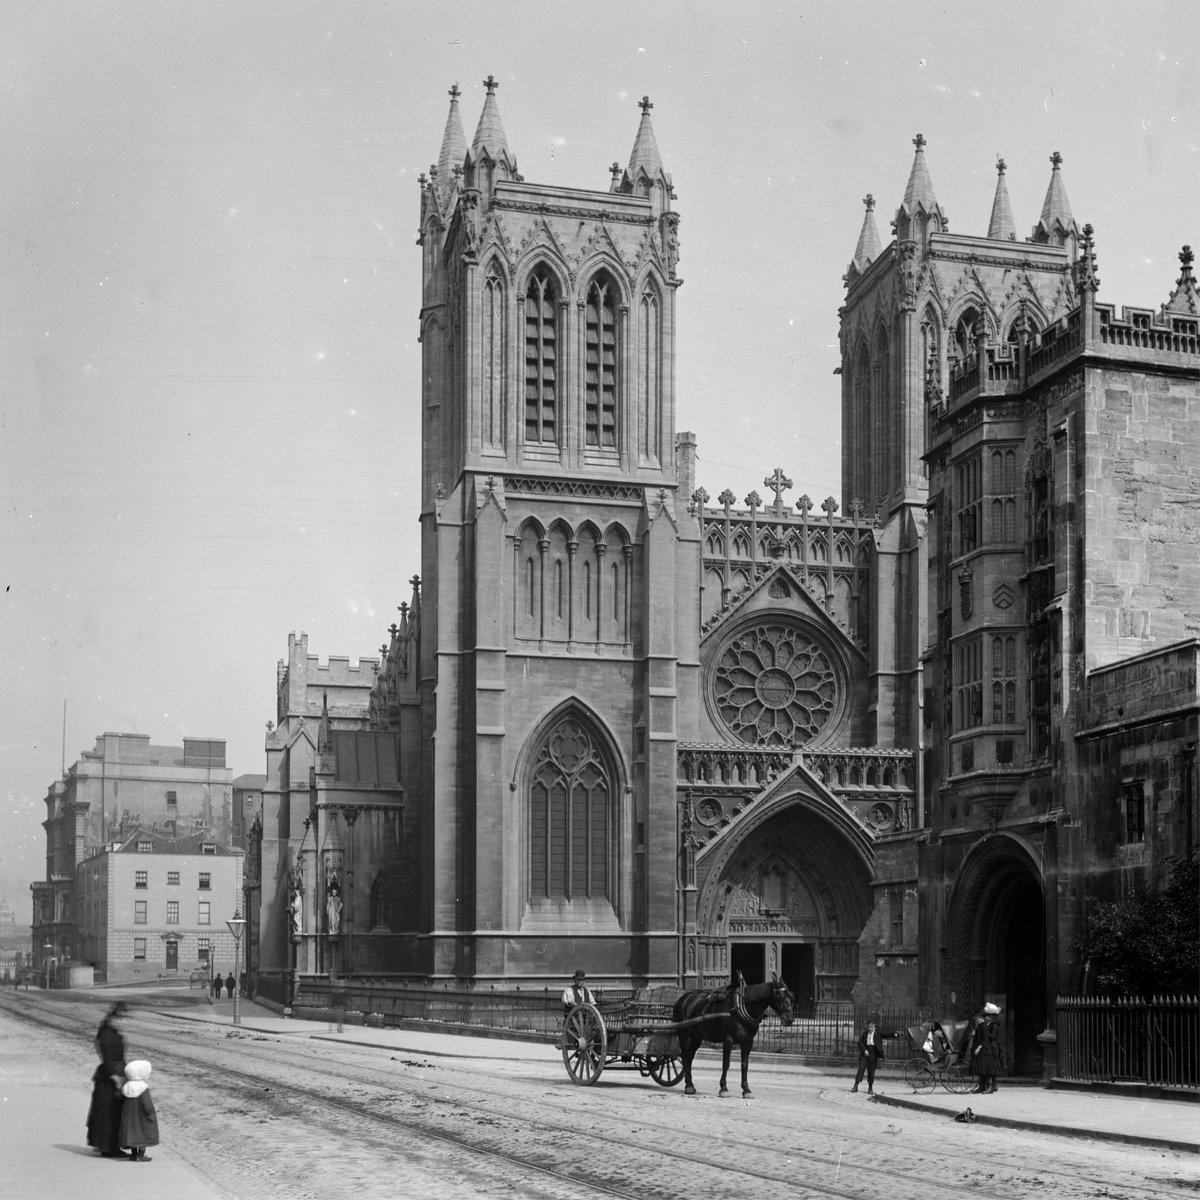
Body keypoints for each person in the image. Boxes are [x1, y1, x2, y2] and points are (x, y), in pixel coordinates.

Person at [86, 1001, 128, 1157]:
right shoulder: (106, 1033)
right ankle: (108, 1147)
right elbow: (106, 1057)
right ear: (112, 1018)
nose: (122, 1022)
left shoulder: (111, 1032)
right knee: (108, 1113)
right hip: (108, 1077)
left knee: (113, 1112)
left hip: (117, 1073)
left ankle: (111, 1146)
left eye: (123, 1019)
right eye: (120, 1019)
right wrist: (115, 1077)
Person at [118, 1059, 159, 1162]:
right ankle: (140, 1155)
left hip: (130, 1117)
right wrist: (151, 1115)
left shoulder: (127, 1086)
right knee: (143, 1133)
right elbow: (147, 1104)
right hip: (141, 1117)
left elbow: (120, 1098)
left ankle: (134, 1154)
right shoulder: (143, 1087)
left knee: (132, 1134)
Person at [970, 1002, 1003, 1094]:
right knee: (986, 1068)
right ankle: (985, 1085)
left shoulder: (994, 1025)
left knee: (991, 1068)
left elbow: (993, 1037)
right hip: (987, 1046)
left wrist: (985, 1031)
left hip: (992, 1047)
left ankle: (992, 1085)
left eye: (989, 1016)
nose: (987, 1017)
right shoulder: (987, 1024)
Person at [851, 1020, 884, 1094]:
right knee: (861, 1069)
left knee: (871, 1071)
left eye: (872, 1027)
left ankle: (870, 1088)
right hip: (865, 1053)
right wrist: (864, 1050)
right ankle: (855, 1086)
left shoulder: (878, 1034)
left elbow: (887, 1034)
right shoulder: (865, 1034)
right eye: (869, 1027)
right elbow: (859, 1042)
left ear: (875, 1028)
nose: (870, 1028)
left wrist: (895, 1034)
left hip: (873, 1054)